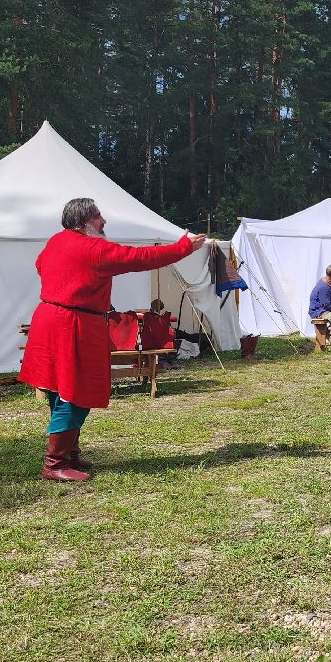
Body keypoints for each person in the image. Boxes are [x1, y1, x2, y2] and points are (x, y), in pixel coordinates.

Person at [19, 198, 205, 482]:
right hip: (73, 324)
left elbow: (39, 266)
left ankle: (68, 454)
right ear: (82, 223)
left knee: (59, 388)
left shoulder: (56, 241)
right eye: (97, 216)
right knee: (74, 390)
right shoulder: (94, 249)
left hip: (49, 318)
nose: (103, 221)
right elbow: (141, 258)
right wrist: (184, 247)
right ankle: (54, 465)